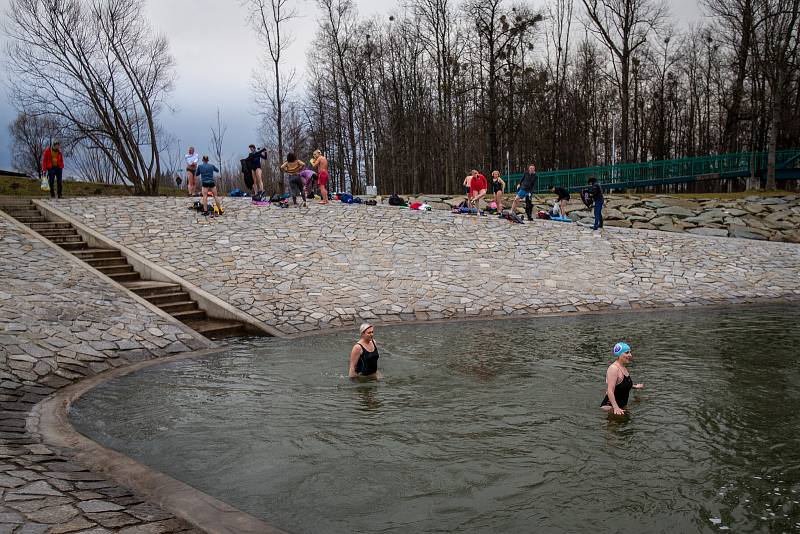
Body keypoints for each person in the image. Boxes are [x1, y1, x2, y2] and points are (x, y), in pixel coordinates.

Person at [600, 342, 644, 415]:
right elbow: (610, 390)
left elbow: (622, 384)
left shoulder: (623, 367)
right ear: (619, 355)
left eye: (630, 352)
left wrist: (635, 386)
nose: (630, 355)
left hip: (621, 406)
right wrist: (616, 407)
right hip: (610, 407)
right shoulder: (613, 368)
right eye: (627, 353)